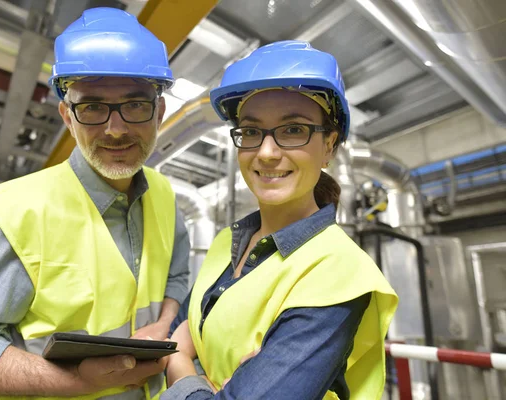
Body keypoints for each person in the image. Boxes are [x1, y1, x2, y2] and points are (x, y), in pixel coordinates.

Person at [0, 7, 190, 400]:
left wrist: (163, 323)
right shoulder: (11, 213)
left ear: (159, 112)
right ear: (66, 116)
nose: (116, 128)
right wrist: (77, 381)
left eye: (135, 105)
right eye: (92, 106)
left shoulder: (163, 195)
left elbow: (176, 276)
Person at [162, 40, 399, 400]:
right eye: (252, 132)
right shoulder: (229, 241)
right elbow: (186, 328)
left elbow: (180, 347)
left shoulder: (339, 272)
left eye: (293, 130)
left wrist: (180, 366)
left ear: (330, 145)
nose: (267, 152)